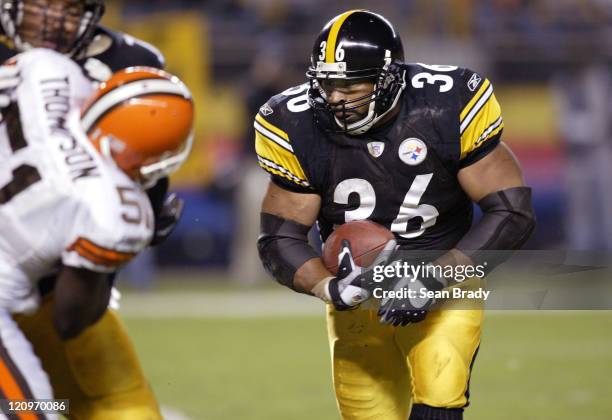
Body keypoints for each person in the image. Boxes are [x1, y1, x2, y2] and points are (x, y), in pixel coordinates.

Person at [255, 10, 535, 420]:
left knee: (440, 399)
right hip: (359, 294)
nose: (335, 98)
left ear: (389, 79)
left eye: (350, 86)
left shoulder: (446, 103)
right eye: (327, 85)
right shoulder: (293, 122)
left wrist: (432, 278)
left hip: (443, 278)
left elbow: (512, 213)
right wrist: (330, 289)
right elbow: (280, 238)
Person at [0, 1, 181, 418]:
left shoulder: (130, 63)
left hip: (58, 280)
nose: (52, 19)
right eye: (39, 4)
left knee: (118, 407)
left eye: (69, 7)